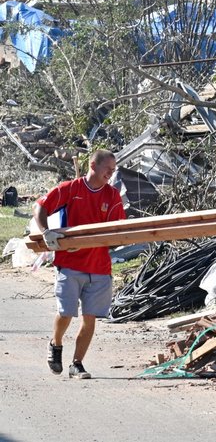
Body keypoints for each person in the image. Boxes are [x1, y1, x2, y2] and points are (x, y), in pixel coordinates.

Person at [35, 149, 125, 379]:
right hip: (70, 263)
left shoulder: (112, 196)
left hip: (99, 266)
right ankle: (55, 344)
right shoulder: (71, 188)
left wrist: (117, 239)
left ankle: (77, 364)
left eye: (113, 171)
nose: (111, 174)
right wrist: (46, 233)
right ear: (93, 166)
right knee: (66, 312)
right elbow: (41, 207)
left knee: (90, 316)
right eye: (108, 169)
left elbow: (117, 229)